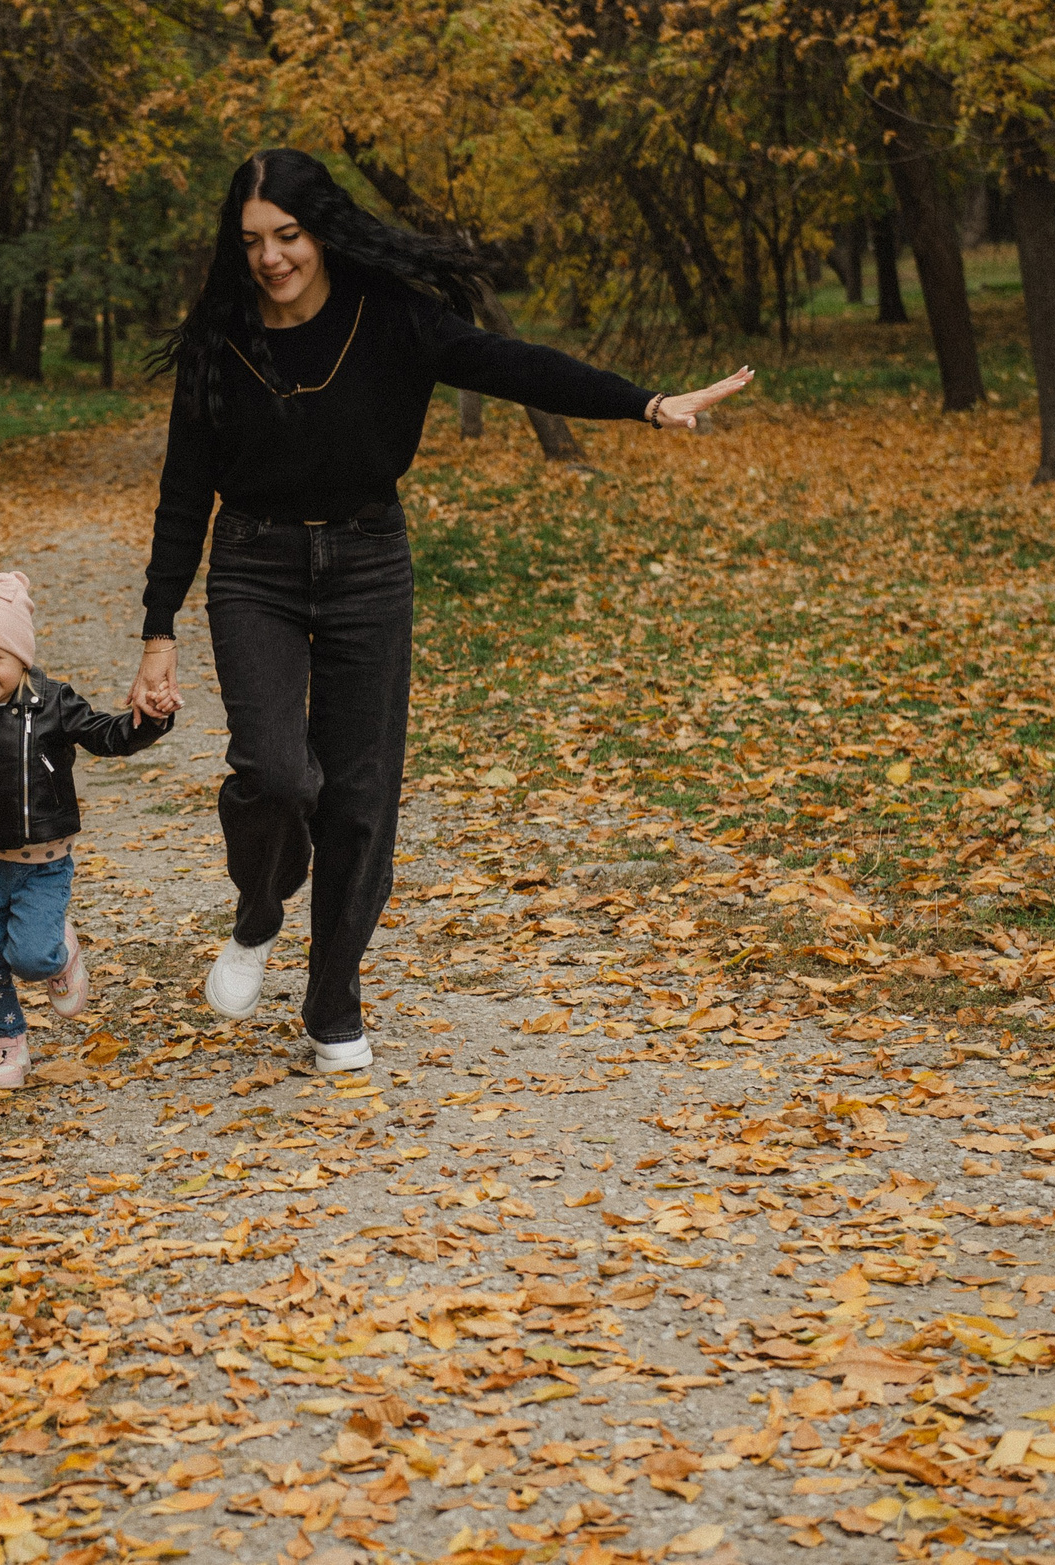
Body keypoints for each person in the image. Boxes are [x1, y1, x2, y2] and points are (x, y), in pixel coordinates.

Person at [126, 148, 752, 1071]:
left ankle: (332, 1001)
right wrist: (159, 627)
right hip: (255, 563)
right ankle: (260, 907)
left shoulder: (390, 316)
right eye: (252, 240)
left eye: (288, 235)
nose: (271, 258)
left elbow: (515, 365)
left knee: (360, 796)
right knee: (276, 772)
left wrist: (646, 403)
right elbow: (185, 489)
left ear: (321, 229)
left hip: (367, 563)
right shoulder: (222, 335)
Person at [0, 572, 173, 1089]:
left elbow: (107, 736)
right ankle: (6, 1042)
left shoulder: (54, 703)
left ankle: (59, 953)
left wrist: (146, 720)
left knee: (31, 957)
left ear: (21, 656)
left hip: (45, 865)